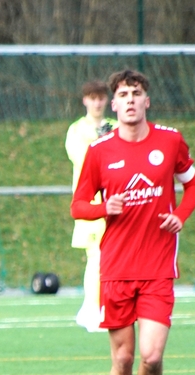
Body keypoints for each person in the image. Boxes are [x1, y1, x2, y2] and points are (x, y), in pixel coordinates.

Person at [70, 69, 195, 375]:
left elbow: (193, 185)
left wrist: (181, 215)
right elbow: (78, 205)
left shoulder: (170, 141)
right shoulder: (100, 151)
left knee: (152, 357)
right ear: (114, 104)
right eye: (123, 94)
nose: (130, 100)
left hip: (158, 267)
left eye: (136, 93)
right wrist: (102, 208)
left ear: (147, 101)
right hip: (115, 269)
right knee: (123, 359)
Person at [65, 80, 117, 332]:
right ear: (85, 100)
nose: (97, 103)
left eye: (101, 98)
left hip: (118, 204)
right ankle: (93, 309)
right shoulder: (77, 130)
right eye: (92, 98)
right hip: (92, 205)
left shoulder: (116, 127)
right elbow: (84, 160)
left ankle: (102, 307)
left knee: (114, 259)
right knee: (96, 257)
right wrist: (102, 142)